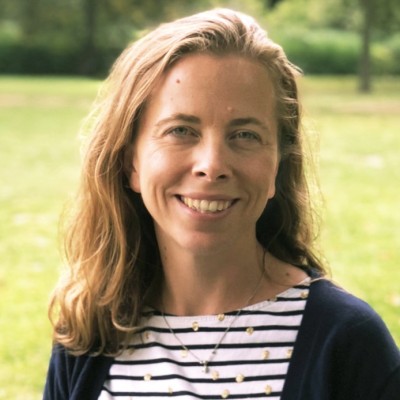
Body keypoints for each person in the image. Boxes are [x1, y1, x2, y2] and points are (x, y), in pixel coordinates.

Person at [43, 8, 400, 400]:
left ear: (277, 165)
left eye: (244, 135)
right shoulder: (87, 336)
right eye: (181, 130)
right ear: (131, 162)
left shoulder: (348, 343)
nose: (212, 165)